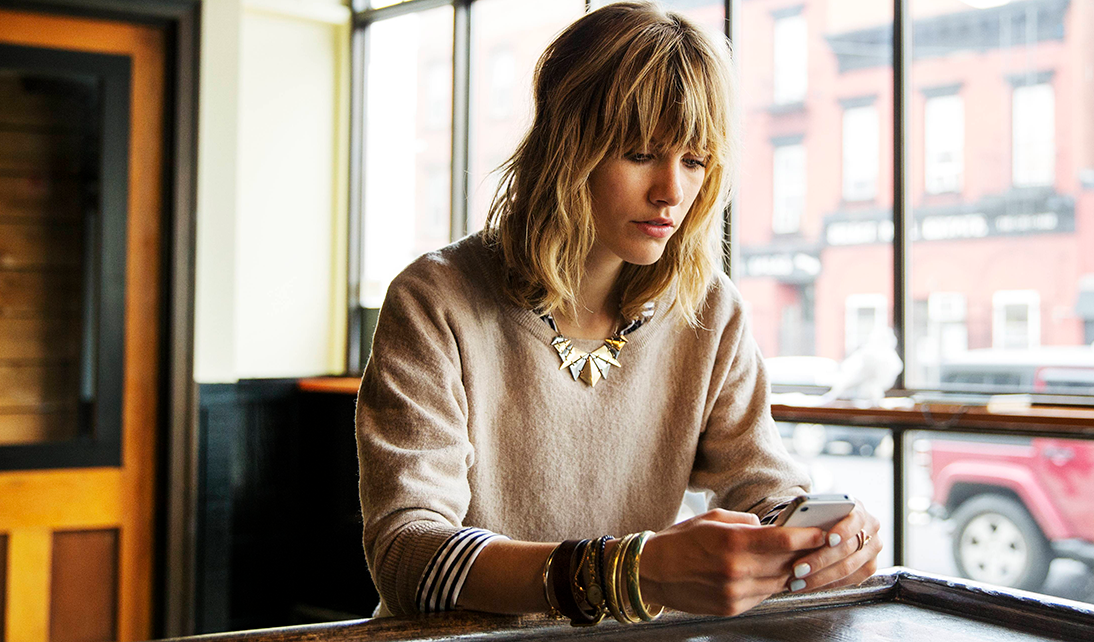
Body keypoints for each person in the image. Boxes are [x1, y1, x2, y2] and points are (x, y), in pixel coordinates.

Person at [356, 0, 882, 622]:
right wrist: (632, 570)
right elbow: (408, 553)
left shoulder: (709, 309)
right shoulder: (434, 300)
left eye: (694, 160)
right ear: (565, 146)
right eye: (639, 153)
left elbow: (764, 486)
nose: (672, 192)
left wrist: (814, 539)